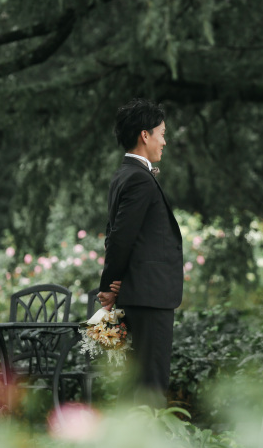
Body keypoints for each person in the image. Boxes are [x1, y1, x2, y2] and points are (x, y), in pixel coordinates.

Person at [97, 98, 183, 407]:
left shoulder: (124, 175)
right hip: (149, 295)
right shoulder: (138, 178)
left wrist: (115, 281)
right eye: (161, 132)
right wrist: (108, 287)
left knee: (136, 385)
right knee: (151, 384)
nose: (164, 140)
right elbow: (120, 238)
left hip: (140, 293)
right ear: (144, 135)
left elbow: (117, 236)